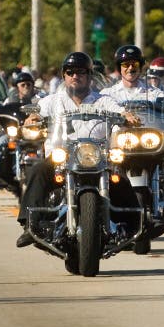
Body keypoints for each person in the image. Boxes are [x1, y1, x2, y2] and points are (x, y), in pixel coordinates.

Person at [15, 51, 138, 247]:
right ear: (64, 75)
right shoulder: (52, 101)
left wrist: (127, 115)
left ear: (90, 75)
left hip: (98, 158)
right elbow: (36, 113)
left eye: (81, 72)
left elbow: (119, 110)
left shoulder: (102, 100)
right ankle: (31, 225)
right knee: (37, 170)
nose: (75, 76)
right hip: (61, 158)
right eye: (70, 72)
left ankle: (133, 228)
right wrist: (32, 119)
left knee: (120, 178)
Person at [100, 45, 164, 103]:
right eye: (126, 64)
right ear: (119, 68)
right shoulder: (107, 94)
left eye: (135, 64)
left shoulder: (154, 93)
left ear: (140, 67)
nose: (131, 68)